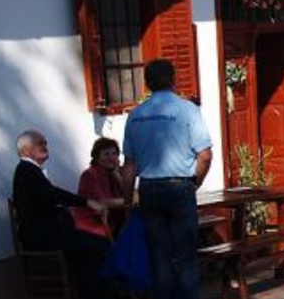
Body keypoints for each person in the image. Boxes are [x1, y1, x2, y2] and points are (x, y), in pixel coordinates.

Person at [122, 59, 213, 299]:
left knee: (159, 256)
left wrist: (127, 199)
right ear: (174, 79)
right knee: (186, 257)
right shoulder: (187, 110)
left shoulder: (135, 116)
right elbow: (204, 155)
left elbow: (129, 165)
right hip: (179, 187)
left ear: (147, 83)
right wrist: (196, 182)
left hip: (149, 190)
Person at [12, 130, 109, 298]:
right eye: (39, 143)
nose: (45, 146)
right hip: (41, 237)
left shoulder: (30, 170)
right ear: (26, 150)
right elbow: (52, 194)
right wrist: (87, 202)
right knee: (96, 246)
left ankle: (90, 291)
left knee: (93, 243)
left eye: (45, 142)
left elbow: (46, 198)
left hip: (48, 233)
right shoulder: (27, 170)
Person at [72, 137, 128, 239]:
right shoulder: (90, 175)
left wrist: (118, 177)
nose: (111, 158)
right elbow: (102, 202)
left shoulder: (116, 173)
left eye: (114, 154)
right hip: (93, 230)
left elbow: (129, 192)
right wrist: (129, 201)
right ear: (97, 157)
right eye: (106, 154)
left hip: (115, 227)